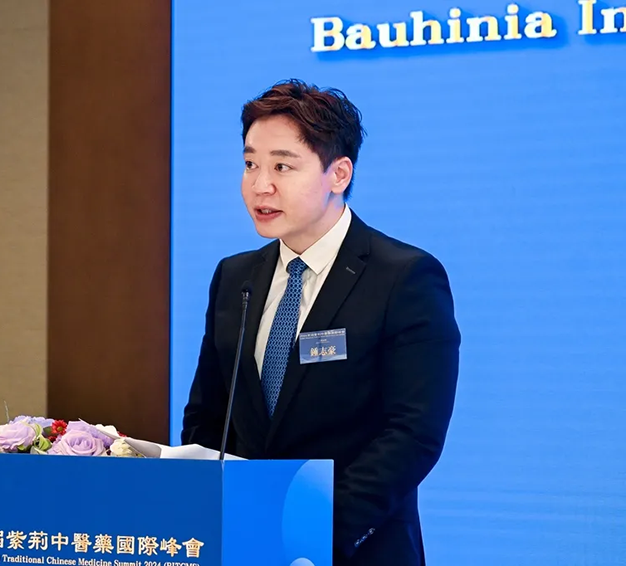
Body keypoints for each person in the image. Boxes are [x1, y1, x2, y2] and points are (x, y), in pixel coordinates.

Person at [181, 79, 461, 565]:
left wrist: (314, 530)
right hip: (244, 545)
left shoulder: (404, 277)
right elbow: (206, 418)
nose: (260, 185)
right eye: (250, 164)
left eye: (282, 166)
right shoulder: (234, 277)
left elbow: (412, 434)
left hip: (354, 549)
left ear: (339, 173)